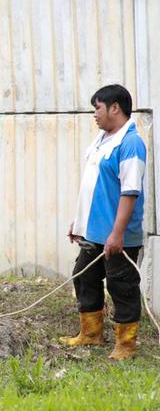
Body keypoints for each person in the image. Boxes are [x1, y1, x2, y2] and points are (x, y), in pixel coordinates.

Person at [62, 84, 145, 360]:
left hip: (116, 235)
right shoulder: (101, 139)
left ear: (115, 108)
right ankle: (91, 334)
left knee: (121, 286)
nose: (94, 114)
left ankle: (126, 345)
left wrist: (117, 233)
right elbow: (91, 186)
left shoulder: (130, 143)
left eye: (97, 108)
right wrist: (79, 222)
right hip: (93, 231)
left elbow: (129, 192)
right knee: (84, 276)